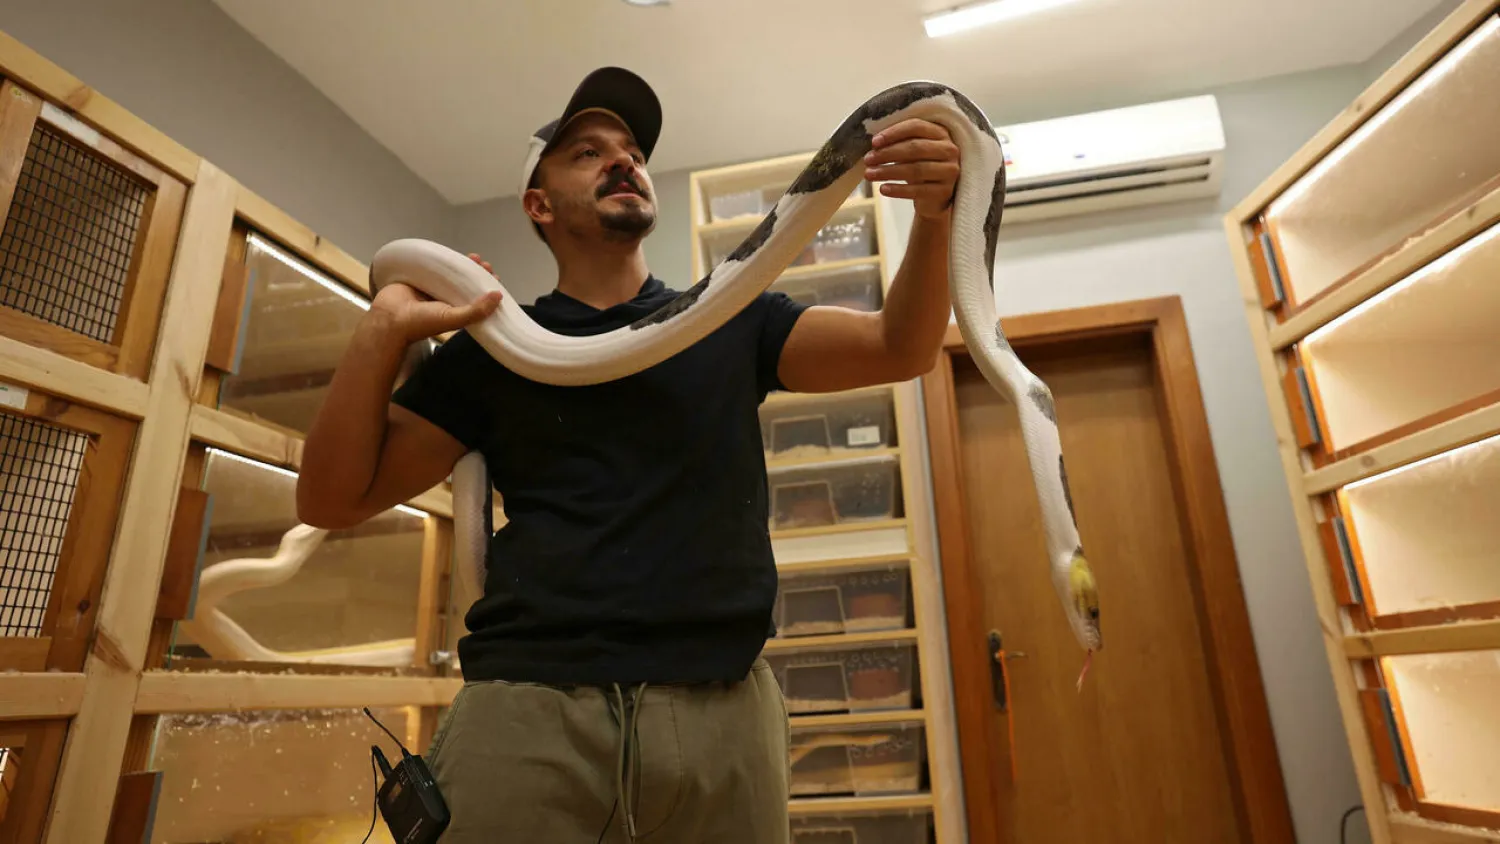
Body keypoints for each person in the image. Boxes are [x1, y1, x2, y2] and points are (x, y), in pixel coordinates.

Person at [297, 66, 959, 843]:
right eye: (586, 152)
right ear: (538, 206)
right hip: (532, 712)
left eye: (632, 150)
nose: (622, 160)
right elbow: (329, 499)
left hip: (723, 715)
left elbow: (900, 345)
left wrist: (940, 216)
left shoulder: (731, 314)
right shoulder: (493, 347)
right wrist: (384, 326)